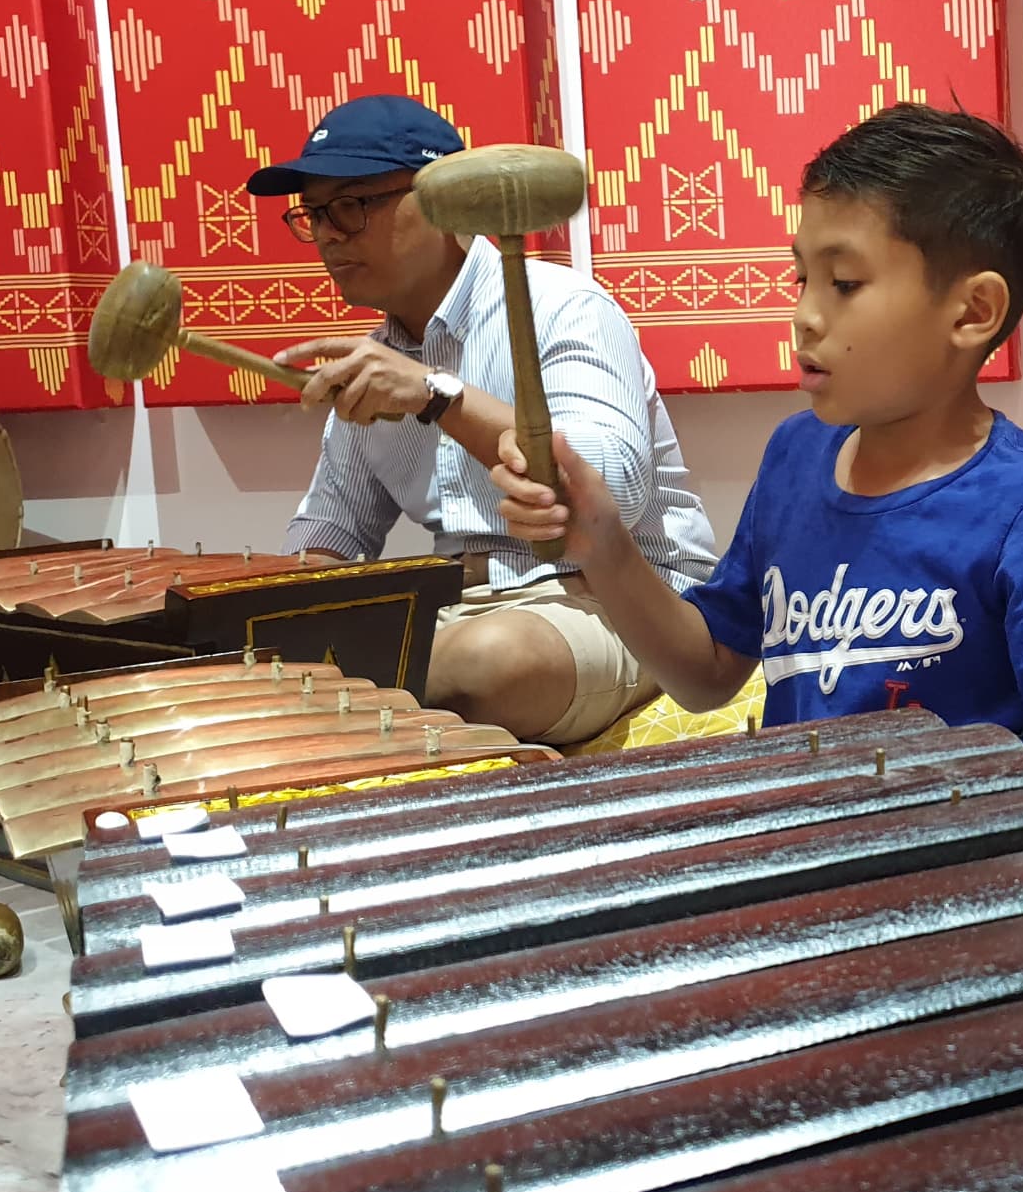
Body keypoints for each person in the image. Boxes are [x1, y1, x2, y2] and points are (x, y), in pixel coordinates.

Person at [492, 104, 1023, 773]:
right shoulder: (795, 457)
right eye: (802, 278)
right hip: (813, 848)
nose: (804, 315)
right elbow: (707, 672)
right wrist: (603, 543)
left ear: (973, 312)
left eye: (845, 284)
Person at [252, 94, 717, 743]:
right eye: (314, 214)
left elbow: (614, 491)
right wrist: (253, 615)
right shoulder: (383, 358)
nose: (328, 233)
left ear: (445, 201)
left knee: (484, 662)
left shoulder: (563, 305)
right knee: (284, 667)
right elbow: (335, 523)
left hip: (623, 606)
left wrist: (438, 395)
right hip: (471, 610)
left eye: (352, 206)